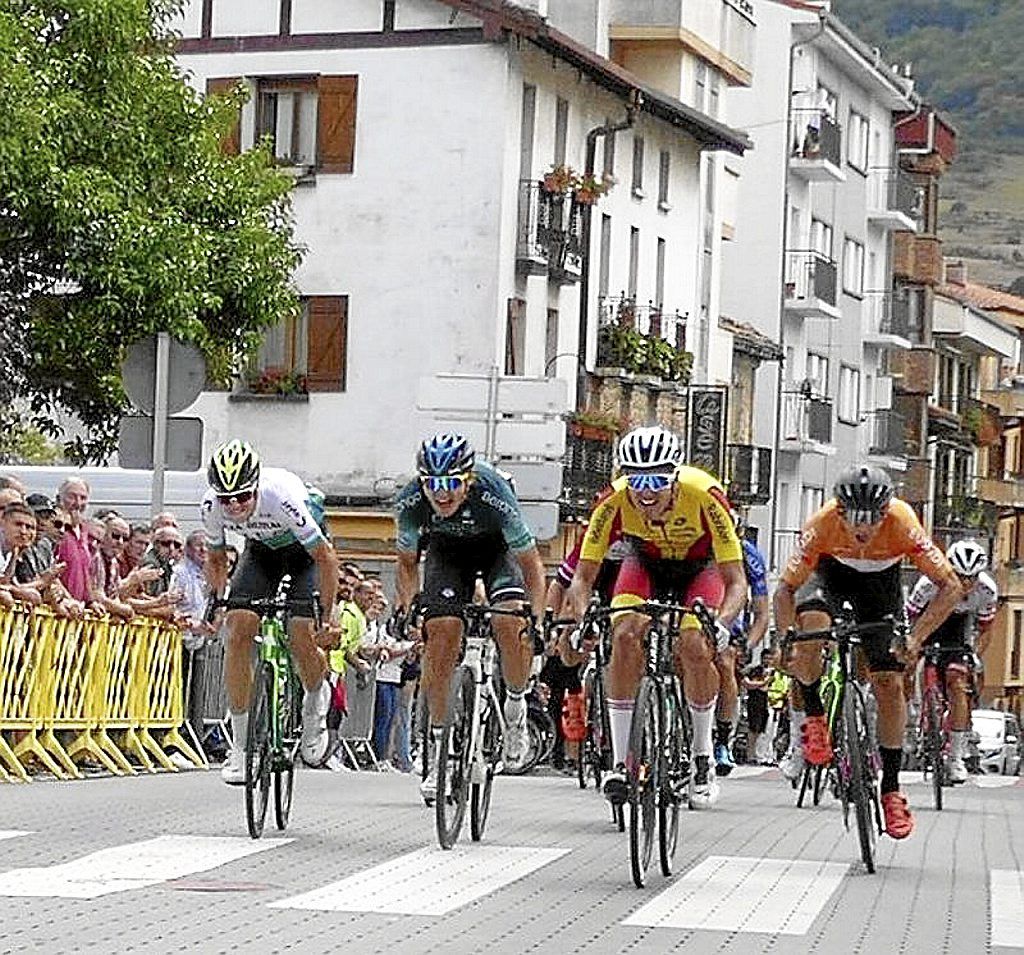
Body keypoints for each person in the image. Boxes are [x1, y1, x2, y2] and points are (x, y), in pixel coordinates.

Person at [773, 465, 962, 840]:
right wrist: (785, 641)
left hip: (880, 589)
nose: (863, 528)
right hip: (828, 578)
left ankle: (890, 788)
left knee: (889, 682)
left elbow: (951, 586)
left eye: (872, 518)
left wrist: (916, 638)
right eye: (854, 518)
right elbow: (784, 591)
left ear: (885, 512)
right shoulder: (822, 522)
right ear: (839, 511)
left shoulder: (903, 521)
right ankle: (814, 718)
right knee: (810, 630)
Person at [564, 425, 747, 810]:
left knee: (695, 644)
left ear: (674, 478)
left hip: (701, 569)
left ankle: (702, 756)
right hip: (645, 565)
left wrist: (724, 623)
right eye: (636, 480)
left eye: (656, 481)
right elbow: (582, 578)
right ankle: (620, 761)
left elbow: (736, 581)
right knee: (624, 634)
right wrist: (585, 620)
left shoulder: (705, 495)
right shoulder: (612, 502)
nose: (645, 491)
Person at [393, 432, 547, 803]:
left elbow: (531, 565)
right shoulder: (411, 501)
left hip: (497, 553)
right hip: (447, 556)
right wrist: (409, 607)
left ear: (469, 479)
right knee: (441, 634)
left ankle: (515, 704)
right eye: (433, 484)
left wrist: (537, 619)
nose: (441, 494)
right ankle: (440, 756)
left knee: (510, 622)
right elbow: (407, 564)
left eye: (451, 484)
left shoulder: (494, 492)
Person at [201, 439, 338, 785]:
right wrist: (216, 601)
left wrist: (328, 611)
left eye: (243, 497)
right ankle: (242, 747)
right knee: (237, 630)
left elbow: (325, 558)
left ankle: (313, 705)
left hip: (306, 556)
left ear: (256, 487)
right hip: (262, 554)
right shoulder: (210, 506)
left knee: (300, 633)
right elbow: (216, 559)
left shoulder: (280, 497)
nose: (234, 506)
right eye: (226, 499)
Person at [905, 538, 998, 784]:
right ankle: (917, 711)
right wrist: (912, 650)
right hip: (930, 623)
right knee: (911, 663)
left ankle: (956, 756)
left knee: (958, 683)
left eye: (972, 578)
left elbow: (986, 630)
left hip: (960, 631)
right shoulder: (928, 584)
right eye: (960, 576)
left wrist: (974, 656)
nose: (966, 584)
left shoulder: (987, 590)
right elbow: (911, 620)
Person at [713, 513, 772, 776]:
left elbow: (762, 613)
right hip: (696, 611)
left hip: (730, 625)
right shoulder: (698, 547)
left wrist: (749, 644)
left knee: (725, 664)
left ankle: (723, 740)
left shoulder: (749, 555)